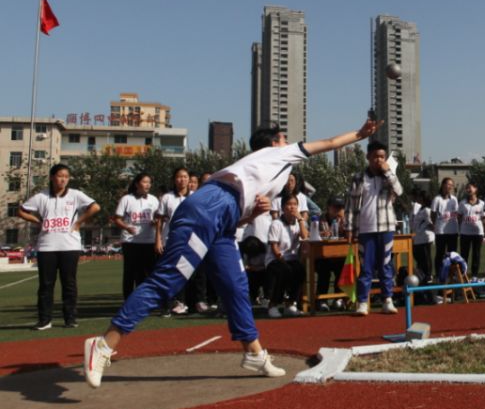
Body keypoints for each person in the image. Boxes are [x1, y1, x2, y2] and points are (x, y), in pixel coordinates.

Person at [83, 118, 382, 388]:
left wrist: (253, 214)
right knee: (168, 282)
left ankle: (254, 353)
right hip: (208, 210)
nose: (288, 141)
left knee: (235, 285)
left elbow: (237, 220)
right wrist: (360, 134)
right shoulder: (278, 154)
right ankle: (104, 345)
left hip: (223, 222)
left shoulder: (269, 172)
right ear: (275, 143)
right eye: (283, 137)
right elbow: (328, 144)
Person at [19, 163, 100, 330]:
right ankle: (44, 320)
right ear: (51, 177)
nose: (63, 179)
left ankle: (70, 319)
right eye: (60, 175)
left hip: (70, 245)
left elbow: (95, 207)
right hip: (47, 246)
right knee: (46, 284)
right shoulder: (41, 197)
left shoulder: (75, 195)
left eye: (66, 176)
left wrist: (78, 222)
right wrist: (37, 221)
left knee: (69, 283)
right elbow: (21, 210)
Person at [344, 138, 403, 315]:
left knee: (385, 264)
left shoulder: (389, 176)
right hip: (366, 228)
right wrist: (349, 228)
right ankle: (362, 302)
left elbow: (399, 191)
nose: (379, 160)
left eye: (382, 156)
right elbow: (351, 205)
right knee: (366, 266)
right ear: (368, 157)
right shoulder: (359, 178)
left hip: (386, 227)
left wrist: (389, 173)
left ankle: (387, 299)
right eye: (376, 156)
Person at [155, 167, 203, 315]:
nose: (182, 180)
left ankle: (190, 304)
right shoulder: (167, 198)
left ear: (190, 180)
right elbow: (159, 220)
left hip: (191, 240)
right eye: (179, 177)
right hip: (170, 239)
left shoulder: (197, 196)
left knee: (190, 273)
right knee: (170, 272)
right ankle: (168, 306)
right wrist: (158, 240)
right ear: (174, 180)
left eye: (185, 177)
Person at [112, 173, 160, 300]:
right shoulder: (127, 199)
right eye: (145, 182)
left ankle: (143, 299)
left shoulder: (154, 199)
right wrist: (127, 227)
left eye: (149, 182)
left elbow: (157, 218)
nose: (148, 184)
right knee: (130, 273)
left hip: (149, 241)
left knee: (146, 274)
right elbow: (117, 219)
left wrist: (155, 222)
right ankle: (128, 300)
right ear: (137, 184)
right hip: (130, 242)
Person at [265, 193, 308, 317]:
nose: (292, 207)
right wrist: (282, 260)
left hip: (292, 258)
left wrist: (300, 219)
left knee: (300, 270)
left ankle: (290, 304)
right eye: (289, 204)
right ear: (283, 208)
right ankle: (273, 305)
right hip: (275, 259)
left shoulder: (298, 223)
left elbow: (305, 236)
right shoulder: (276, 224)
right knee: (284, 271)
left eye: (295, 204)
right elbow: (274, 248)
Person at [314, 196, 347, 309]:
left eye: (340, 208)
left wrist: (346, 228)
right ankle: (321, 299)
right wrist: (322, 234)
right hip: (323, 256)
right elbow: (312, 237)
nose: (338, 211)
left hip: (340, 255)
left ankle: (339, 298)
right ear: (328, 208)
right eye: (335, 207)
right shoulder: (318, 220)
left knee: (343, 267)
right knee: (323, 269)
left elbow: (353, 238)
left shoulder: (347, 220)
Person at [457, 182, 485, 272]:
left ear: (475, 189)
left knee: (476, 254)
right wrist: (460, 228)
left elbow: (484, 218)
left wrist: (484, 232)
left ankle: (474, 275)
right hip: (465, 233)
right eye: (467, 188)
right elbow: (459, 217)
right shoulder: (462, 203)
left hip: (478, 233)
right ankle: (463, 274)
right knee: (464, 255)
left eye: (470, 188)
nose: (468, 190)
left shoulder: (482, 203)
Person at [432, 178, 460, 271]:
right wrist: (435, 225)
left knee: (452, 254)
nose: (450, 186)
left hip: (453, 230)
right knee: (440, 253)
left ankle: (452, 274)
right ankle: (439, 275)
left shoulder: (454, 199)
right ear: (443, 185)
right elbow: (433, 214)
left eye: (451, 185)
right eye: (448, 184)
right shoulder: (437, 199)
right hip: (441, 231)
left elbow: (456, 213)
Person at [410, 191, 435, 282]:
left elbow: (432, 223)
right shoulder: (420, 209)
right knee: (419, 258)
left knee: (426, 257)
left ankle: (428, 275)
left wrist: (427, 228)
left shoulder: (427, 210)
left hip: (425, 238)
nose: (417, 199)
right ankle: (422, 275)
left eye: (420, 197)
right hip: (418, 238)